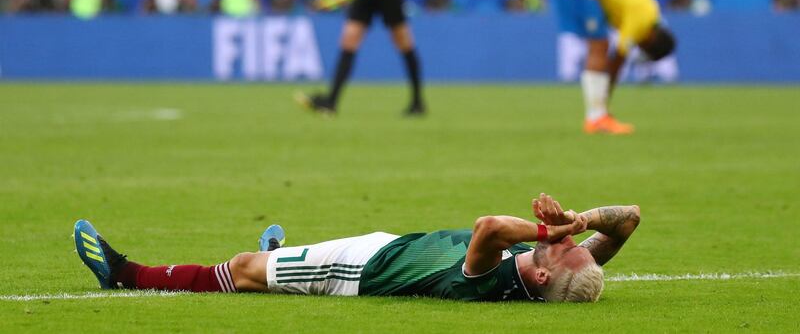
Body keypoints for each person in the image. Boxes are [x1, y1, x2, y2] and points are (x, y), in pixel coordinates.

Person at [74, 193, 640, 303]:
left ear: (543, 276)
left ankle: (127, 273)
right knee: (268, 266)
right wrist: (583, 220)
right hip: (387, 246)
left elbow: (489, 224)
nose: (578, 245)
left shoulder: (493, 278)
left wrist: (551, 231)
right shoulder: (558, 275)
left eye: (572, 248)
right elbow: (630, 219)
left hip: (361, 270)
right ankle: (280, 261)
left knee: (244, 271)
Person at [550, 0, 676, 134]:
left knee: (599, 44)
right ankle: (597, 117)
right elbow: (618, 58)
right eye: (644, 49)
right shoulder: (642, 18)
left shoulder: (649, 7)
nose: (639, 47)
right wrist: (605, 98)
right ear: (651, 41)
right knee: (599, 45)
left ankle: (597, 115)